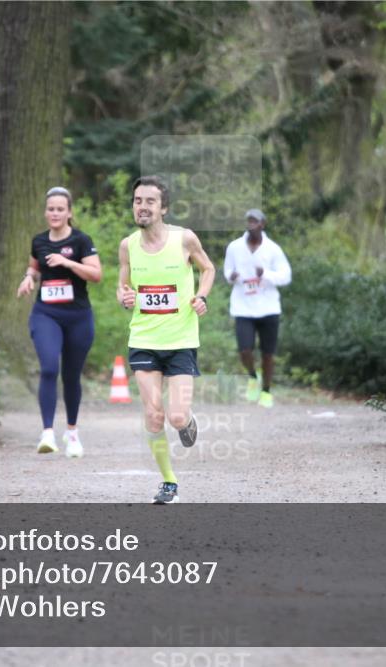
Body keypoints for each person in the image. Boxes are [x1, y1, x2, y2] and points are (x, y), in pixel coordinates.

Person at [117, 176, 215, 504]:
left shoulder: (184, 239)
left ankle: (187, 419)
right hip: (144, 339)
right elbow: (123, 286)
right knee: (154, 414)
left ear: (164, 208)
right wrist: (125, 297)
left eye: (149, 202)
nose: (142, 207)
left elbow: (208, 268)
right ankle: (169, 482)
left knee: (175, 416)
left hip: (181, 340)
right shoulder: (127, 245)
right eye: (137, 201)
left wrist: (202, 296)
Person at [16, 187, 102, 457]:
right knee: (50, 368)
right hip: (46, 314)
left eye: (60, 209)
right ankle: (47, 434)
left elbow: (96, 274)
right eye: (50, 209)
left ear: (69, 213)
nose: (54, 213)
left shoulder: (81, 241)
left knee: (71, 375)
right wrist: (29, 277)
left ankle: (72, 433)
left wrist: (68, 263)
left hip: (77, 316)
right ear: (45, 212)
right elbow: (34, 266)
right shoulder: (39, 241)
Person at [224, 208, 292, 408]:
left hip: (268, 307)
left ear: (263, 224)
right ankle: (253, 377)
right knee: (245, 350)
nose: (251, 224)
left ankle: (266, 391)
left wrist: (267, 274)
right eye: (249, 221)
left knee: (268, 353)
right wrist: (231, 276)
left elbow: (286, 276)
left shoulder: (273, 249)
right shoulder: (235, 247)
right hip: (243, 307)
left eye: (255, 221)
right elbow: (227, 270)